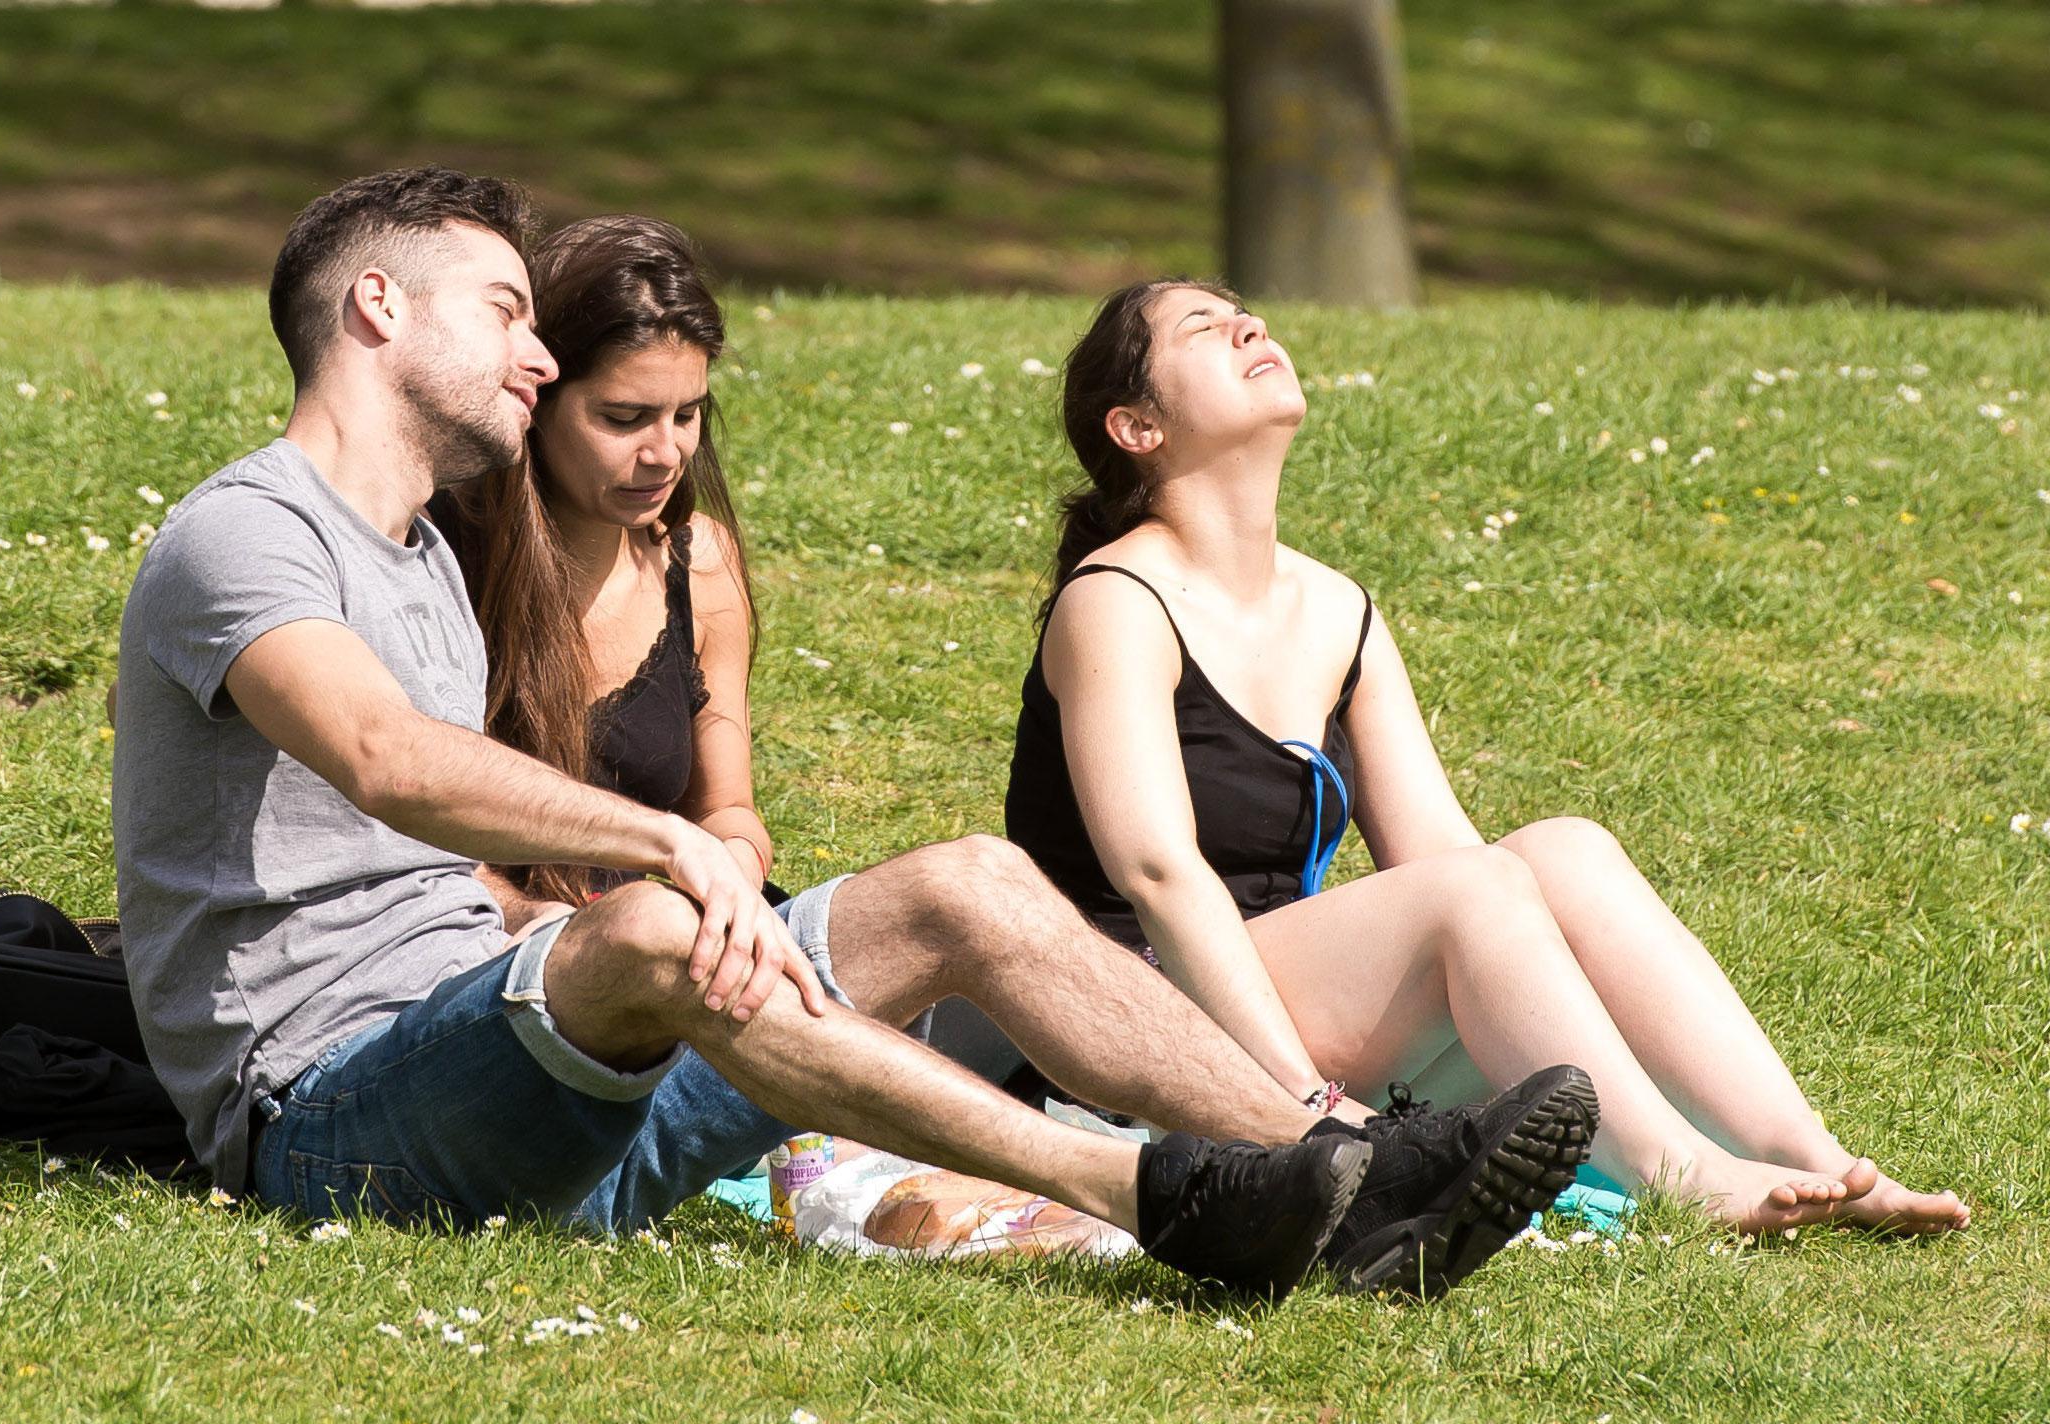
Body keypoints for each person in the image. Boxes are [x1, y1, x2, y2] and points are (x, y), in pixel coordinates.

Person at [107, 166, 1595, 1308]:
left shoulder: (424, 560)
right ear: (377, 307)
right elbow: (381, 758)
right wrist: (673, 848)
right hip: (340, 1128)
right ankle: (1165, 1195)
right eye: (505, 311)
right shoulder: (243, 535)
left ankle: (1336, 1173)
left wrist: (693, 877)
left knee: (971, 883)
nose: (538, 356)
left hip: (547, 1077)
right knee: (643, 932)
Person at [1004, 278, 1971, 1238]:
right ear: (1137, 427)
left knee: (1562, 855)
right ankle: (1688, 1178)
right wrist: (1298, 1104)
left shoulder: (1336, 609)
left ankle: (1816, 1160)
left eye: (1244, 312)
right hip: (1133, 1025)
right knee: (1480, 894)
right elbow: (1158, 875)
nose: (1251, 325)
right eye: (1203, 329)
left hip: (1272, 1001)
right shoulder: (1118, 601)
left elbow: (1443, 855)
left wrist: (1538, 931)